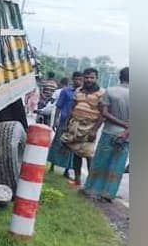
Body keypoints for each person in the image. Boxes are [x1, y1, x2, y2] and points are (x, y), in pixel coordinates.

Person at [84, 67, 130, 201]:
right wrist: (125, 129)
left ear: (119, 77)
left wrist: (119, 123)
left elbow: (104, 113)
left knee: (100, 162)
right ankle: (108, 194)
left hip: (108, 132)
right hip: (126, 136)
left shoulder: (109, 91)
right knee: (117, 165)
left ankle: (92, 189)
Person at [61, 68, 105, 186]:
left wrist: (94, 130)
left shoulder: (101, 93)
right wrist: (66, 124)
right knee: (76, 152)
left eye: (92, 77)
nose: (89, 80)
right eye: (87, 77)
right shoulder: (78, 91)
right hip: (75, 125)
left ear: (96, 78)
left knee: (88, 154)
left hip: (89, 128)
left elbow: (102, 114)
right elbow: (72, 108)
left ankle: (91, 184)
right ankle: (77, 180)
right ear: (83, 78)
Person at [47, 72, 83, 175]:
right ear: (72, 79)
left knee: (71, 145)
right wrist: (55, 121)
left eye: (80, 79)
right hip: (63, 121)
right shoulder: (65, 91)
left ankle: (67, 170)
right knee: (58, 142)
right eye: (76, 79)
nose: (78, 81)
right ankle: (52, 165)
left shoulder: (83, 94)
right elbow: (59, 106)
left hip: (76, 122)